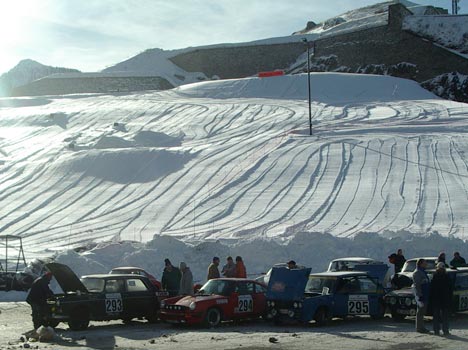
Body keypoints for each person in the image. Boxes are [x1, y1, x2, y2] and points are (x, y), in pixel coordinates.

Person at [430, 262, 452, 336]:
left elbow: (432, 289)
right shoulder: (447, 276)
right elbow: (450, 289)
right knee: (445, 316)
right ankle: (445, 330)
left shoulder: (435, 276)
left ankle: (436, 330)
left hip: (436, 299)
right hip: (445, 299)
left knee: (436, 316)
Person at [412, 258, 430, 333]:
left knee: (422, 312)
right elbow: (417, 285)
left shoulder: (423, 272)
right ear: (421, 264)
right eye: (425, 263)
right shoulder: (417, 273)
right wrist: (420, 296)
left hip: (425, 294)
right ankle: (419, 328)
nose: (426, 264)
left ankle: (422, 327)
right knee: (420, 312)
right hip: (421, 295)